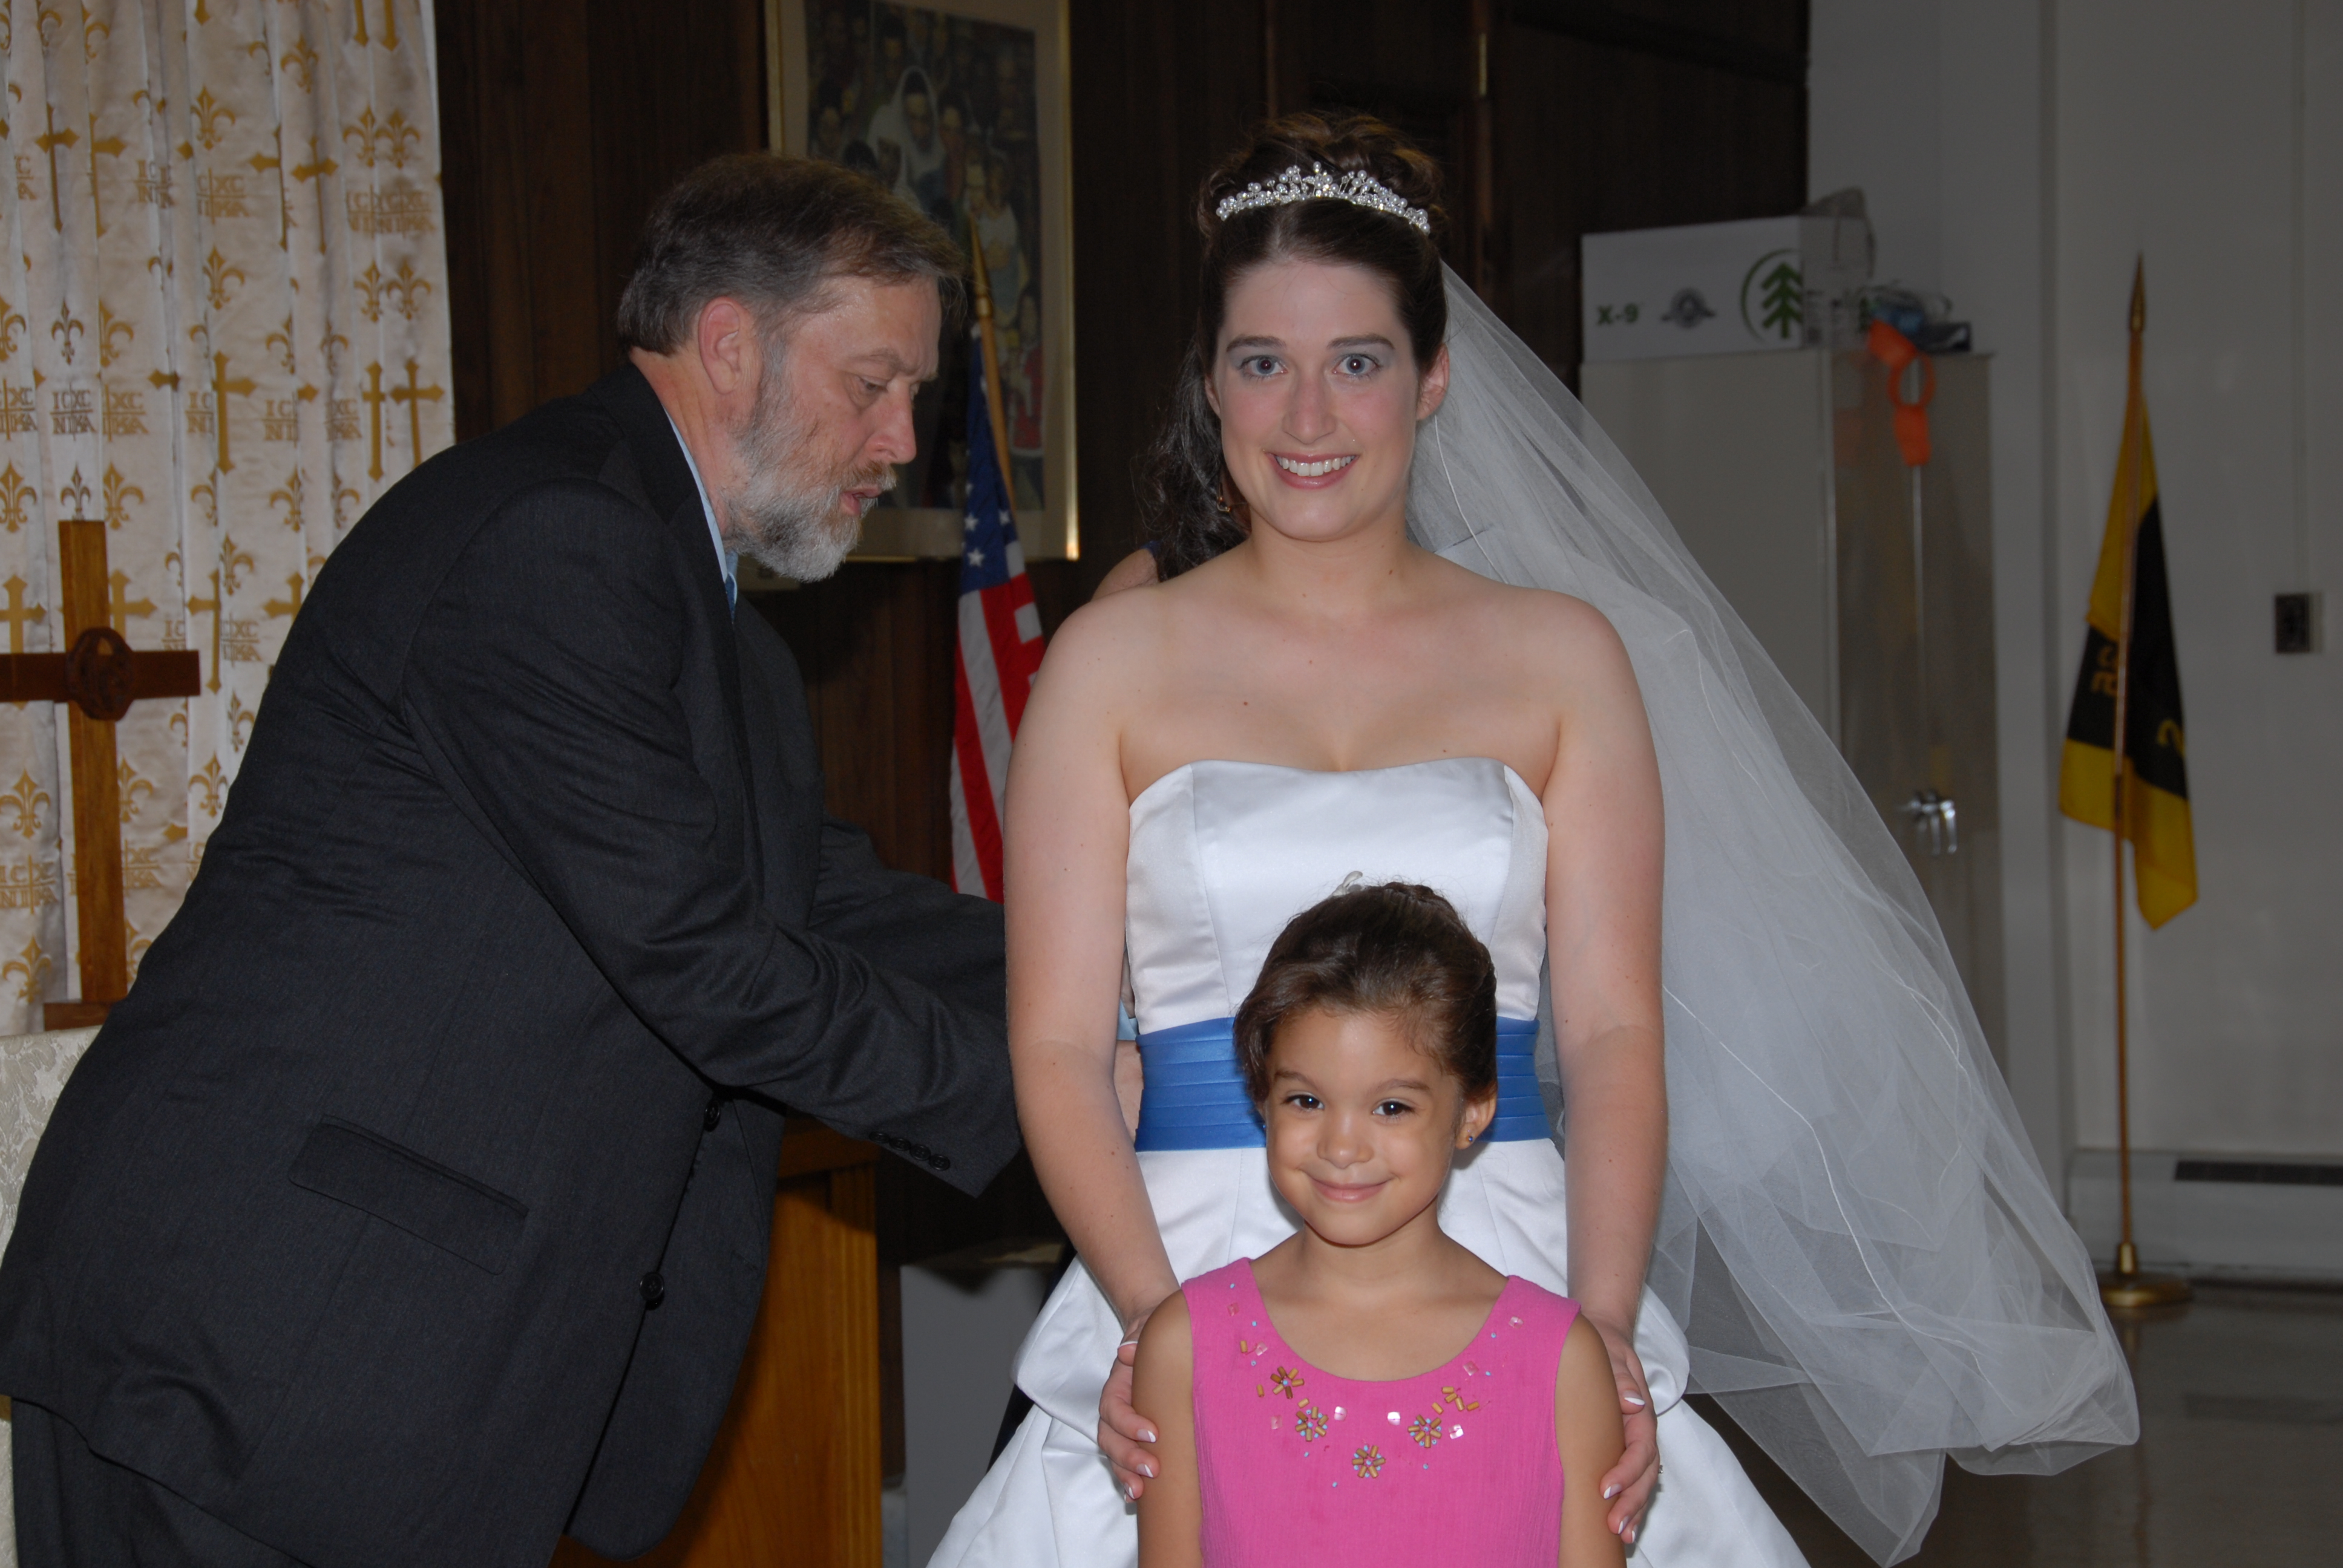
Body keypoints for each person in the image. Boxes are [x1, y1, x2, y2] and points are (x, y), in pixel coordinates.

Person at [934, 113, 2134, 1568]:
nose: (1306, 416)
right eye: (1261, 363)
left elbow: (1614, 1029)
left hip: (1499, 1240)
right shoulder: (1110, 664)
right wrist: (1152, 1320)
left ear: (1431, 375)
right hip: (1185, 1251)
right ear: (1210, 380)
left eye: (1356, 362)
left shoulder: (1561, 658)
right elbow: (1058, 1044)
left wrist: (1604, 1318)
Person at [0, 154, 1019, 1567]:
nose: (902, 437)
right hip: (259, 1347)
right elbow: (704, 961)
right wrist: (1063, 1096)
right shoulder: (559, 541)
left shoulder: (722, 633)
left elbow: (819, 901)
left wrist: (1120, 993)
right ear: (731, 345)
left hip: (389, 1363)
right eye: (873, 384)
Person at [1133, 881, 1625, 1568]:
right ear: (1262, 1098)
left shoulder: (1560, 1360)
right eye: (1306, 1100)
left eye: (1391, 1108)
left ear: (1473, 1110)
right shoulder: (1185, 1345)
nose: (1341, 1147)